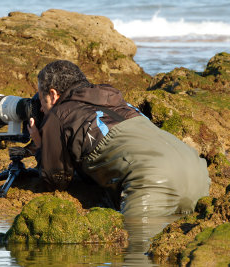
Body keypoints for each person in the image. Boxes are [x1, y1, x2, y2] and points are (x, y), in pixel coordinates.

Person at [27, 60, 210, 217]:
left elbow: (55, 180)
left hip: (153, 179)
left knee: (136, 249)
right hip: (197, 171)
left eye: (42, 100)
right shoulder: (116, 100)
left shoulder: (58, 115)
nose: (41, 109)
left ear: (53, 94)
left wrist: (41, 144)